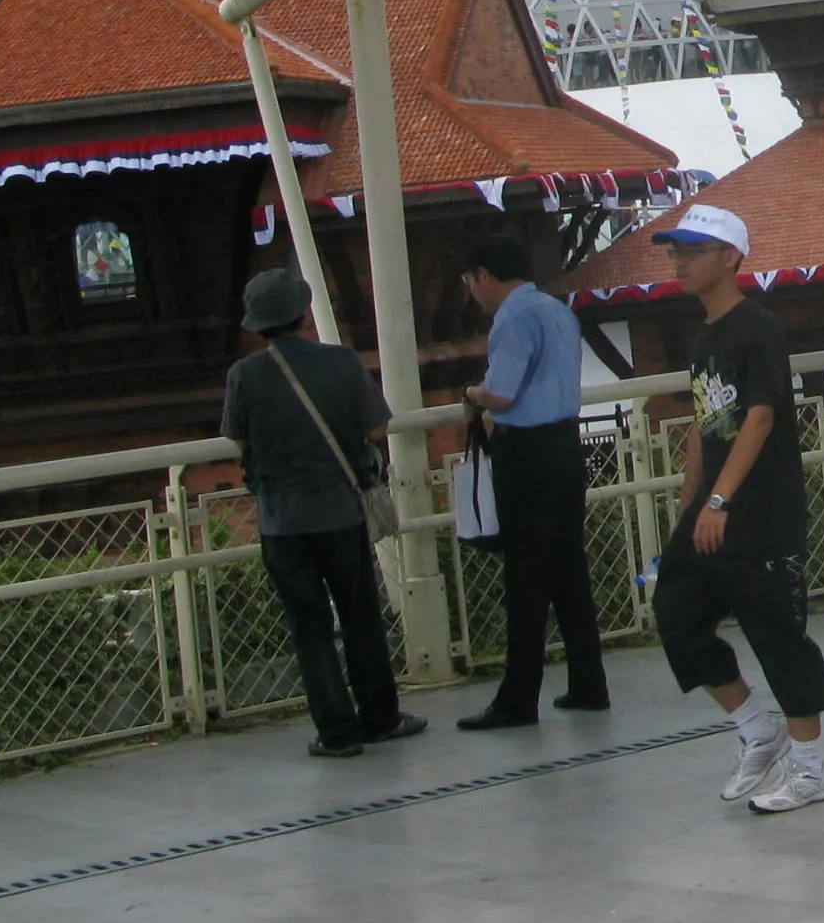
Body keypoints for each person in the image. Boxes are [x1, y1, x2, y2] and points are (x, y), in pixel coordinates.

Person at [648, 205, 824, 814]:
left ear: (729, 256)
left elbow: (759, 417)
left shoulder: (759, 328)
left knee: (777, 634)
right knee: (676, 613)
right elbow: (706, 424)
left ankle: (811, 769)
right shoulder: (704, 337)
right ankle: (757, 729)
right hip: (712, 511)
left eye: (691, 251)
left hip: (761, 512)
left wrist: (721, 499)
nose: (678, 262)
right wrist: (690, 506)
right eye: (674, 252)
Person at [218, 267, 423, 759]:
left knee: (309, 628)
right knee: (360, 617)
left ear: (258, 323)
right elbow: (376, 429)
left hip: (280, 521)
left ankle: (336, 732)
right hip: (339, 511)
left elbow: (239, 441)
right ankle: (380, 717)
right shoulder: (341, 362)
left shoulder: (243, 375)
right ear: (303, 314)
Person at [457, 230, 609, 730]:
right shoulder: (557, 311)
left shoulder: (512, 318)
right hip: (565, 445)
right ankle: (588, 683)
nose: (471, 292)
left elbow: (501, 394)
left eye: (469, 281)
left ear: (485, 276)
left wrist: (472, 393)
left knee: (525, 576)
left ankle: (517, 699)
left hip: (526, 454)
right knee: (568, 570)